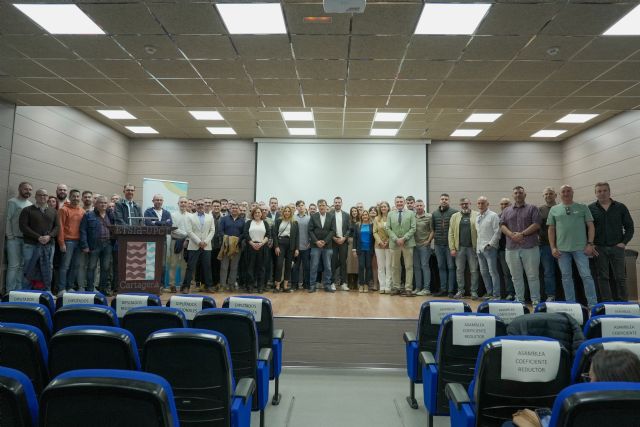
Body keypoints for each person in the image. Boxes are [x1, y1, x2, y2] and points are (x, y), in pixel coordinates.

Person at [548, 185, 598, 308]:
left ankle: (592, 305)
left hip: (581, 249)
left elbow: (591, 226)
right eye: (563, 192)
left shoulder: (583, 207)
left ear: (573, 192)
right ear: (560, 194)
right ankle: (571, 305)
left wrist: (590, 244)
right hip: (562, 250)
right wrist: (553, 247)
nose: (566, 193)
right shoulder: (554, 209)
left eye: (568, 191)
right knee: (566, 277)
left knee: (586, 276)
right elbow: (551, 229)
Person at [589, 182, 635, 302]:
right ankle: (607, 303)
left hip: (617, 247)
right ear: (595, 193)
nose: (602, 193)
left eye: (605, 190)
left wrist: (624, 242)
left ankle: (623, 303)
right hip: (599, 249)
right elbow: (586, 228)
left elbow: (629, 227)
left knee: (621, 277)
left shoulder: (620, 207)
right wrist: (590, 244)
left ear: (609, 192)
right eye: (599, 191)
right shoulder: (590, 208)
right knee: (602, 277)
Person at [501, 186, 542, 306]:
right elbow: (502, 225)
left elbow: (537, 224)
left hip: (530, 247)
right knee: (515, 276)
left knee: (533, 276)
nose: (518, 195)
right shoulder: (506, 210)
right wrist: (511, 235)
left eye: (520, 193)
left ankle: (535, 300)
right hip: (511, 248)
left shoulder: (532, 208)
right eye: (516, 193)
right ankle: (519, 300)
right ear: (513, 195)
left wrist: (522, 234)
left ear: (525, 195)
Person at [19, 188, 59, 290]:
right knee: (29, 266)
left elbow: (57, 227)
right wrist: (38, 237)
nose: (42, 197)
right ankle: (26, 291)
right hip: (30, 244)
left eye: (45, 195)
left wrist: (49, 236)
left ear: (47, 197)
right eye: (40, 195)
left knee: (48, 267)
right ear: (35, 196)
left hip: (49, 244)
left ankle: (46, 290)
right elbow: (23, 227)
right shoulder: (27, 210)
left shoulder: (54, 211)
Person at [79, 195, 114, 294]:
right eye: (101, 202)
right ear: (96, 204)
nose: (103, 204)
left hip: (107, 244)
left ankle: (102, 290)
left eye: (105, 203)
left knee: (105, 268)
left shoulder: (110, 215)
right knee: (91, 267)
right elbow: (83, 231)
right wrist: (85, 245)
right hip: (94, 245)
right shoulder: (88, 215)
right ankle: (90, 289)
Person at [182, 199, 216, 293]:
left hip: (206, 246)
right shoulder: (190, 217)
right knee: (190, 267)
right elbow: (189, 231)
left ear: (205, 206)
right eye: (198, 204)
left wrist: (205, 241)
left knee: (207, 266)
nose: (200, 206)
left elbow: (212, 230)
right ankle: (186, 286)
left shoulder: (210, 217)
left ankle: (209, 286)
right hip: (194, 245)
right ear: (195, 206)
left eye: (202, 204)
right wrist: (199, 242)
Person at [449, 198, 480, 299]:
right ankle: (460, 291)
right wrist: (452, 248)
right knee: (459, 270)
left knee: (474, 270)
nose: (464, 205)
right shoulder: (455, 216)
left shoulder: (477, 215)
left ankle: (474, 292)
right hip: (459, 248)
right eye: (462, 204)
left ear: (470, 203)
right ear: (460, 205)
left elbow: (480, 231)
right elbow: (451, 233)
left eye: (466, 203)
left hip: (472, 248)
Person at [4, 181, 32, 293]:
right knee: (13, 266)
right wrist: (10, 236)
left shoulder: (30, 204)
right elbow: (7, 219)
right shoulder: (12, 202)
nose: (28, 191)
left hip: (25, 240)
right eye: (25, 189)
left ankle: (18, 290)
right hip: (14, 239)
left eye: (30, 190)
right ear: (19, 189)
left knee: (21, 266)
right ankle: (9, 291)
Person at [386, 195, 416, 296]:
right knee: (395, 266)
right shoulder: (390, 214)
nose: (399, 203)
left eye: (401, 202)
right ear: (395, 203)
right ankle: (396, 287)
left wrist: (404, 238)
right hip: (394, 244)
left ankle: (408, 288)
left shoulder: (411, 213)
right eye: (397, 202)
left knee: (409, 266)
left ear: (404, 203)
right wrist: (396, 239)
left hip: (407, 243)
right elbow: (388, 228)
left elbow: (413, 228)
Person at [57, 189, 85, 295]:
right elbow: (60, 227)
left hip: (79, 242)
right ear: (70, 197)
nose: (76, 198)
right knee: (65, 266)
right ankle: (61, 289)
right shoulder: (63, 210)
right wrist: (61, 243)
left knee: (75, 266)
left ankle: (70, 287)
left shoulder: (82, 211)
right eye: (74, 196)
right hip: (68, 241)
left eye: (78, 196)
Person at [475, 196, 502, 300]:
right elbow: (479, 233)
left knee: (493, 272)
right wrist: (478, 247)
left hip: (490, 248)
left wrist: (490, 244)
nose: (480, 205)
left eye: (483, 203)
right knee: (484, 272)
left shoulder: (493, 215)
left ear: (487, 204)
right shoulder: (477, 216)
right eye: (479, 203)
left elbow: (498, 232)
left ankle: (496, 295)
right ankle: (489, 293)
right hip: (479, 249)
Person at [432, 193, 458, 297]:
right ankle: (443, 289)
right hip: (438, 245)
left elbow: (456, 230)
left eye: (446, 199)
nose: (444, 200)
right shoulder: (435, 214)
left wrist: (454, 246)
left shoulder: (454, 213)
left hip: (450, 245)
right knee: (441, 267)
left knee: (451, 267)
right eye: (442, 199)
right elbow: (433, 229)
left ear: (449, 201)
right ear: (439, 200)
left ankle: (451, 290)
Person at [308, 199, 335, 293]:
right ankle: (312, 285)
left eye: (323, 205)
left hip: (327, 246)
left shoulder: (331, 216)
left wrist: (325, 241)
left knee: (328, 267)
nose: (322, 207)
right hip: (315, 246)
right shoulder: (313, 216)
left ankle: (327, 285)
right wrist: (316, 241)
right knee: (314, 266)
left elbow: (333, 230)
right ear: (318, 207)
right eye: (320, 205)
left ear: (326, 206)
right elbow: (310, 230)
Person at [243, 206, 271, 293]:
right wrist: (252, 243)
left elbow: (268, 234)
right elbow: (245, 234)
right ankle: (250, 286)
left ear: (261, 214)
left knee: (261, 268)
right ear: (253, 214)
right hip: (250, 247)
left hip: (262, 246)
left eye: (259, 212)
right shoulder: (249, 223)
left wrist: (262, 243)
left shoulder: (265, 223)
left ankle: (260, 287)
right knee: (250, 267)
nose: (257, 214)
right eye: (255, 212)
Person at [218, 202, 245, 291]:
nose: (234, 209)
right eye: (233, 208)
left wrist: (237, 240)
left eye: (236, 208)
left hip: (237, 246)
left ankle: (231, 284)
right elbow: (220, 231)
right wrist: (227, 239)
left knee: (234, 267)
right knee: (224, 266)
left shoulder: (242, 221)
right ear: (230, 209)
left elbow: (244, 233)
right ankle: (222, 285)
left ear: (239, 210)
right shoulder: (224, 219)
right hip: (225, 246)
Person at [539, 187, 559, 302]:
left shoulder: (561, 207)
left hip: (562, 245)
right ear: (543, 196)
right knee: (548, 272)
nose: (548, 196)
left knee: (565, 272)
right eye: (546, 194)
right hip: (545, 245)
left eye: (551, 193)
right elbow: (536, 226)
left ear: (555, 195)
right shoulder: (540, 210)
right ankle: (551, 295)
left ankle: (566, 295)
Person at [167, 197, 189, 294]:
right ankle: (172, 285)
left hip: (187, 243)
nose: (183, 204)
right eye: (181, 202)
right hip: (175, 242)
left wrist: (187, 238)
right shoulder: (173, 215)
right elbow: (173, 229)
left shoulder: (191, 216)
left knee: (184, 265)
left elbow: (192, 229)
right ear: (178, 203)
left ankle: (183, 285)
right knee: (173, 264)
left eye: (185, 202)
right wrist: (186, 234)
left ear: (187, 204)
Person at [413, 199, 433, 296]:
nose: (419, 207)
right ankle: (418, 288)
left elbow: (432, 230)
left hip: (424, 246)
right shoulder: (412, 216)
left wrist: (428, 241)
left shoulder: (429, 216)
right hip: (414, 245)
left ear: (424, 206)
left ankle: (426, 289)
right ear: (415, 207)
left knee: (424, 266)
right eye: (417, 206)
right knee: (416, 267)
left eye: (421, 205)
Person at [331, 196, 352, 291]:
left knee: (343, 262)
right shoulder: (329, 214)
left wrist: (344, 238)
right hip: (333, 242)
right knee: (333, 262)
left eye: (339, 202)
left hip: (343, 242)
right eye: (336, 202)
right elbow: (328, 228)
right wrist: (334, 238)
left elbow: (349, 229)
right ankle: (332, 282)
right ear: (334, 203)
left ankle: (344, 283)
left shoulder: (346, 215)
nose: (337, 204)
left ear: (341, 203)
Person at [352, 209, 374, 293]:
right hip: (360, 249)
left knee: (368, 266)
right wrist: (354, 250)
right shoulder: (358, 225)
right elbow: (355, 238)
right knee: (361, 266)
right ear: (361, 216)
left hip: (369, 249)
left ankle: (366, 284)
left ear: (368, 216)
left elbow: (374, 238)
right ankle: (361, 284)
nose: (365, 216)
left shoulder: (372, 225)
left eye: (366, 215)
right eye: (363, 215)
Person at [292, 200, 311, 290]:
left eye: (302, 205)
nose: (301, 207)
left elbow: (311, 231)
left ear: (305, 206)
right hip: (296, 247)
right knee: (295, 267)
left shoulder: (309, 218)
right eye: (299, 206)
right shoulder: (293, 218)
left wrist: (310, 242)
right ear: (296, 208)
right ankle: (294, 284)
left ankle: (306, 284)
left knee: (306, 267)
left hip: (306, 246)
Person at [498, 198, 515, 300]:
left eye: (506, 204)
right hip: (502, 249)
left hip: (514, 248)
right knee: (506, 273)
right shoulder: (497, 217)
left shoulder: (514, 215)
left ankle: (519, 293)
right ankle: (510, 293)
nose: (504, 206)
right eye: (502, 204)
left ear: (510, 205)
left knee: (516, 273)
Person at [374, 201, 392, 294]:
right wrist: (380, 242)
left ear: (388, 208)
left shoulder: (391, 218)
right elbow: (374, 232)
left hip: (389, 245)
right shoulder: (376, 218)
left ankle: (388, 286)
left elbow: (393, 230)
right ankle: (382, 286)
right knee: (381, 266)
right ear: (380, 209)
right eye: (382, 207)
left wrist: (388, 241)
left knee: (388, 266)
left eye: (385, 206)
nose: (383, 208)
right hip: (379, 246)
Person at [346, 207, 360, 288]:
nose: (354, 212)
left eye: (355, 211)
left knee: (357, 263)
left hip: (358, 243)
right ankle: (349, 282)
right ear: (351, 213)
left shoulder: (360, 221)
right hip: (350, 243)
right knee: (349, 263)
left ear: (357, 212)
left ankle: (355, 282)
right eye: (352, 211)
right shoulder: (348, 221)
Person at [368, 206, 380, 291]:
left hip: (377, 244)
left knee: (377, 266)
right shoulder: (365, 222)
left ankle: (377, 284)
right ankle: (371, 283)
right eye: (371, 210)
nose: (372, 211)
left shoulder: (379, 221)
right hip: (367, 246)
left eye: (374, 210)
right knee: (371, 266)